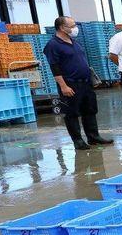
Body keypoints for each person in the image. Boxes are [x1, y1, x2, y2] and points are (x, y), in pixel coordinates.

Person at [44, 15, 108, 150]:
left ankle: (93, 136)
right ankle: (78, 140)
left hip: (85, 83)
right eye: (72, 26)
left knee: (90, 110)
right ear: (62, 28)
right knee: (72, 113)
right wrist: (63, 86)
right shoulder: (53, 45)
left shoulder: (74, 42)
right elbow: (54, 67)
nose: (75, 28)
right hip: (70, 84)